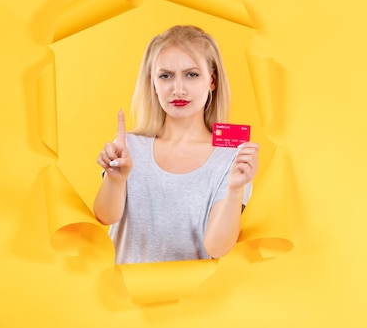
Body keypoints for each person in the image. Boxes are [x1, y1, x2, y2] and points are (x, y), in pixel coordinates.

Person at [93, 25, 258, 264]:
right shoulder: (129, 148)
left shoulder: (232, 157)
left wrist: (234, 190)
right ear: (153, 82)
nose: (177, 89)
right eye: (165, 76)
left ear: (211, 81)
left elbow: (217, 247)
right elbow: (105, 217)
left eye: (191, 74)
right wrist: (115, 179)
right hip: (126, 296)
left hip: (196, 298)